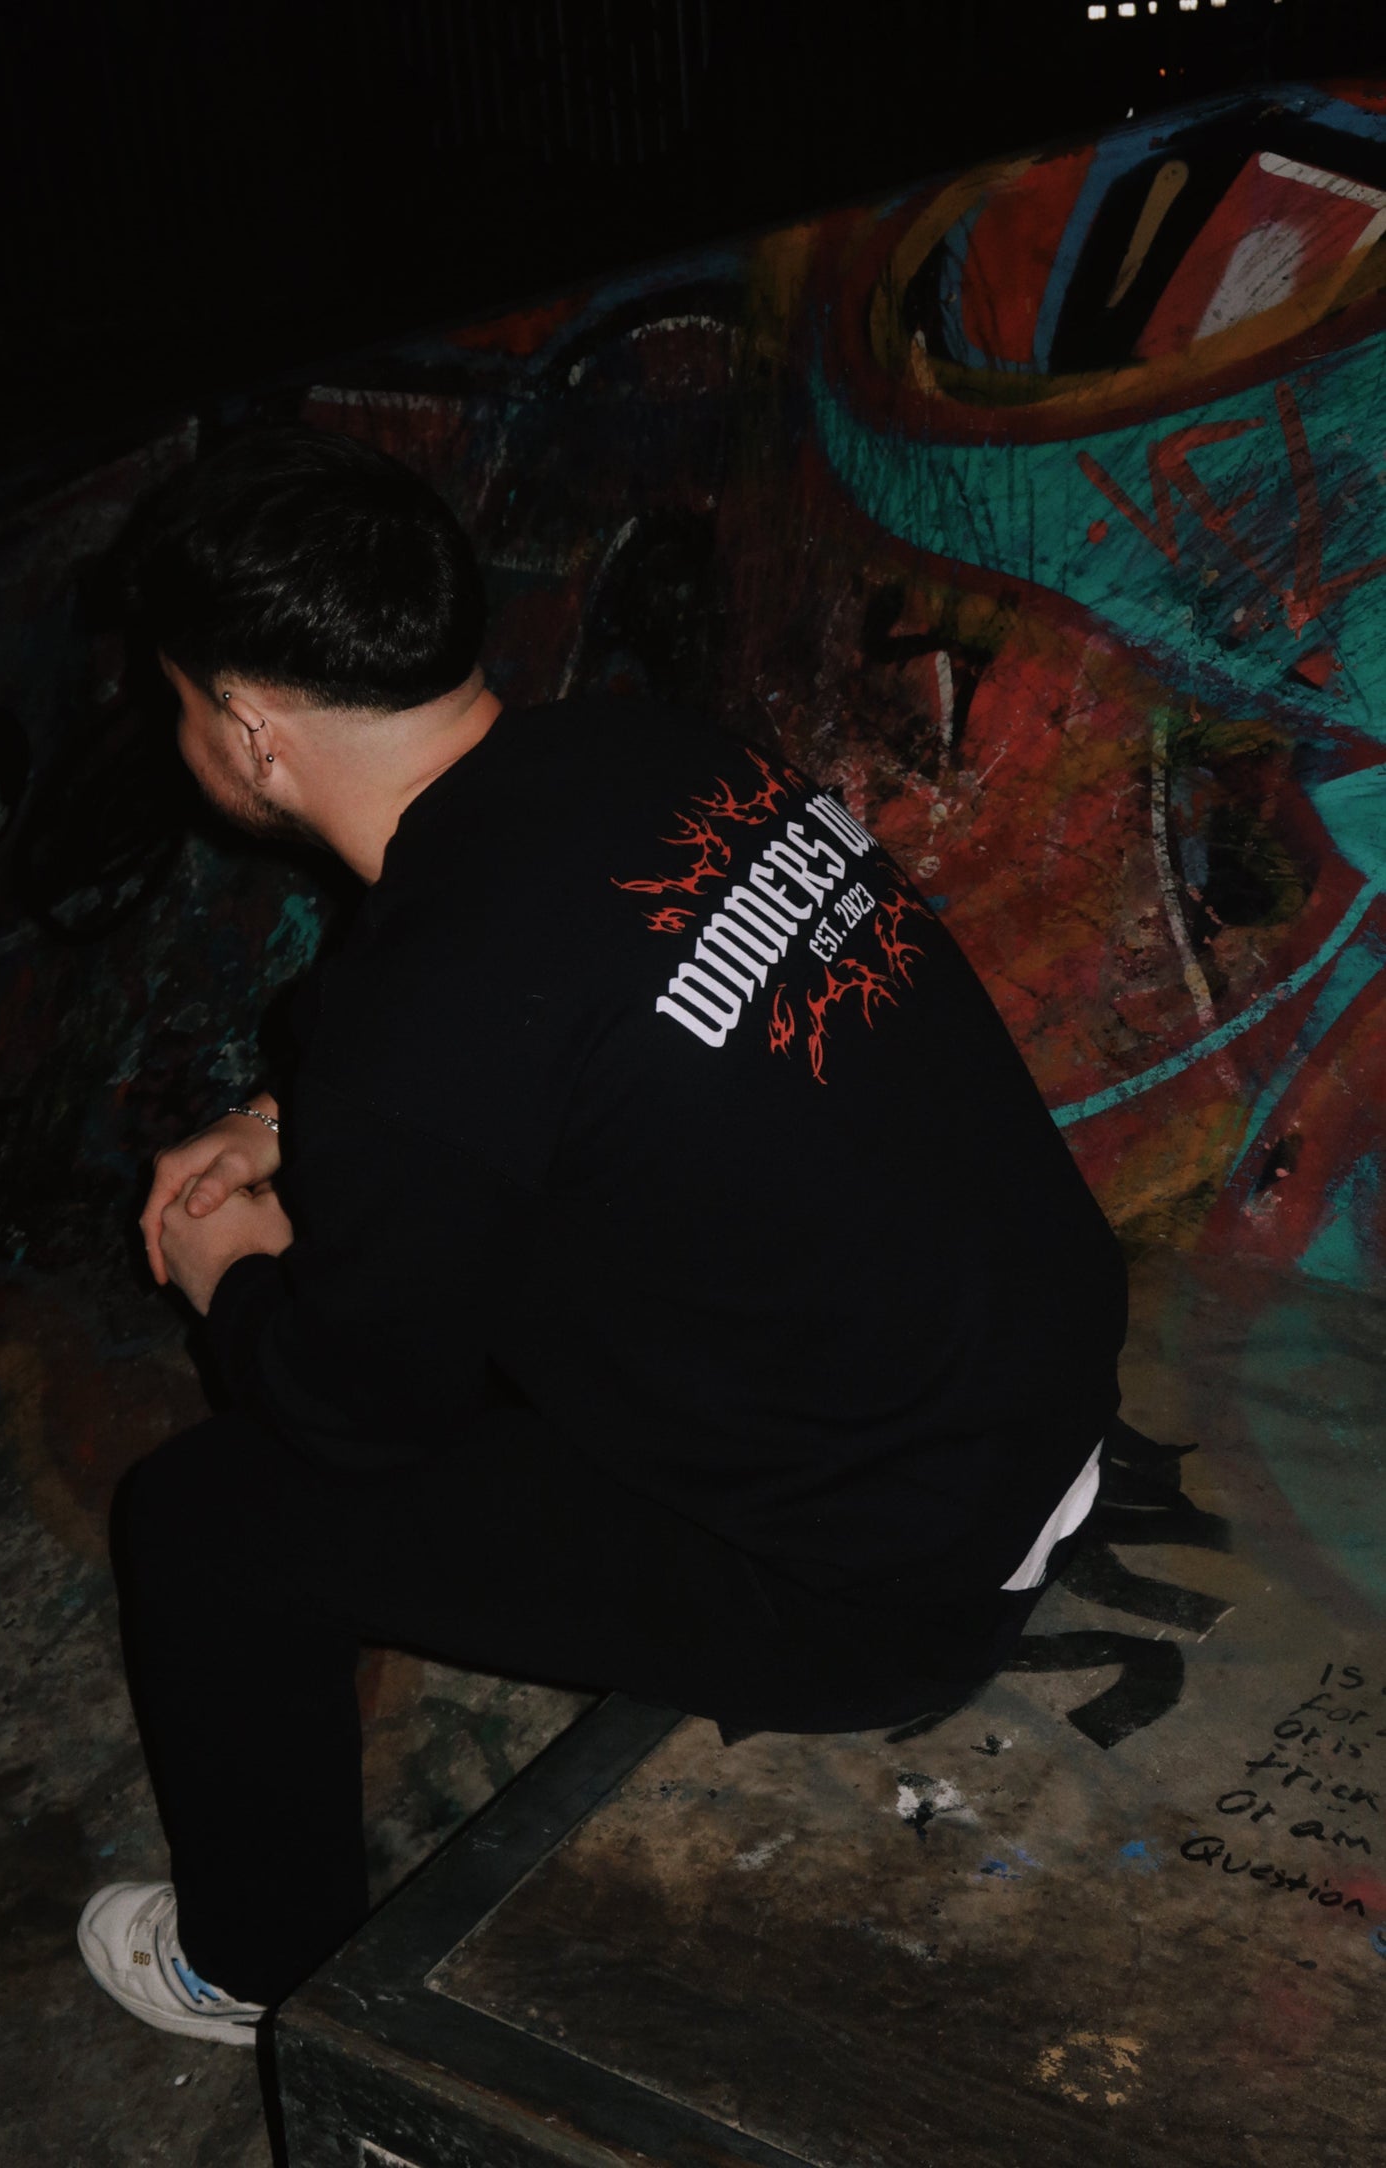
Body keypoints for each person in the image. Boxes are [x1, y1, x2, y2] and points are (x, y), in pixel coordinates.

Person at [78, 424, 1126, 2045]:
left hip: (886, 1585)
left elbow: (359, 1408)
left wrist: (236, 1285)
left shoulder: (419, 1023)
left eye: (178, 704)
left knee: (212, 1520)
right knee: (507, 1271)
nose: (182, 738)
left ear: (253, 728)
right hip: (1027, 1401)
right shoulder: (648, 759)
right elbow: (563, 1033)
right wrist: (291, 1125)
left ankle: (257, 1968)